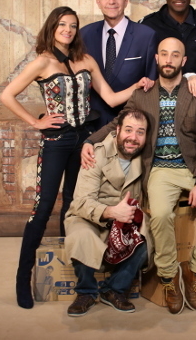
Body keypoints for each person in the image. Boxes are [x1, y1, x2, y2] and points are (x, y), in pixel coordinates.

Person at [0, 6, 153, 309]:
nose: (68, 30)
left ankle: (71, 272)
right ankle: (22, 279)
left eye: (72, 25)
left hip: (83, 139)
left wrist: (138, 86)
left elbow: (110, 98)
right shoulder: (43, 62)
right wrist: (36, 122)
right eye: (62, 25)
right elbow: (7, 95)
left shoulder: (86, 60)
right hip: (57, 140)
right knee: (43, 208)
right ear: (52, 27)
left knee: (73, 204)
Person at [82, 37, 196, 314]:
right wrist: (90, 141)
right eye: (164, 54)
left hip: (195, 166)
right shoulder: (143, 93)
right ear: (156, 58)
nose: (169, 59)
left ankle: (195, 270)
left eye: (175, 55)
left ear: (183, 61)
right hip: (161, 169)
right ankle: (168, 275)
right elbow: (119, 123)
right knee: (161, 215)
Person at [64, 109, 152, 317]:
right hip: (91, 215)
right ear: (118, 130)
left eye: (140, 132)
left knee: (148, 238)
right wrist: (111, 211)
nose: (133, 137)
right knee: (81, 236)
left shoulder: (146, 158)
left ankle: (114, 289)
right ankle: (86, 292)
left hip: (126, 218)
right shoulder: (97, 153)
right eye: (128, 130)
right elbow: (81, 202)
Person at [81, 0, 158, 127]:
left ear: (126, 0)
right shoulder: (84, 35)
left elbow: (151, 84)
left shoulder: (146, 36)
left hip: (132, 125)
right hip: (91, 126)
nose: (112, 1)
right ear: (98, 1)